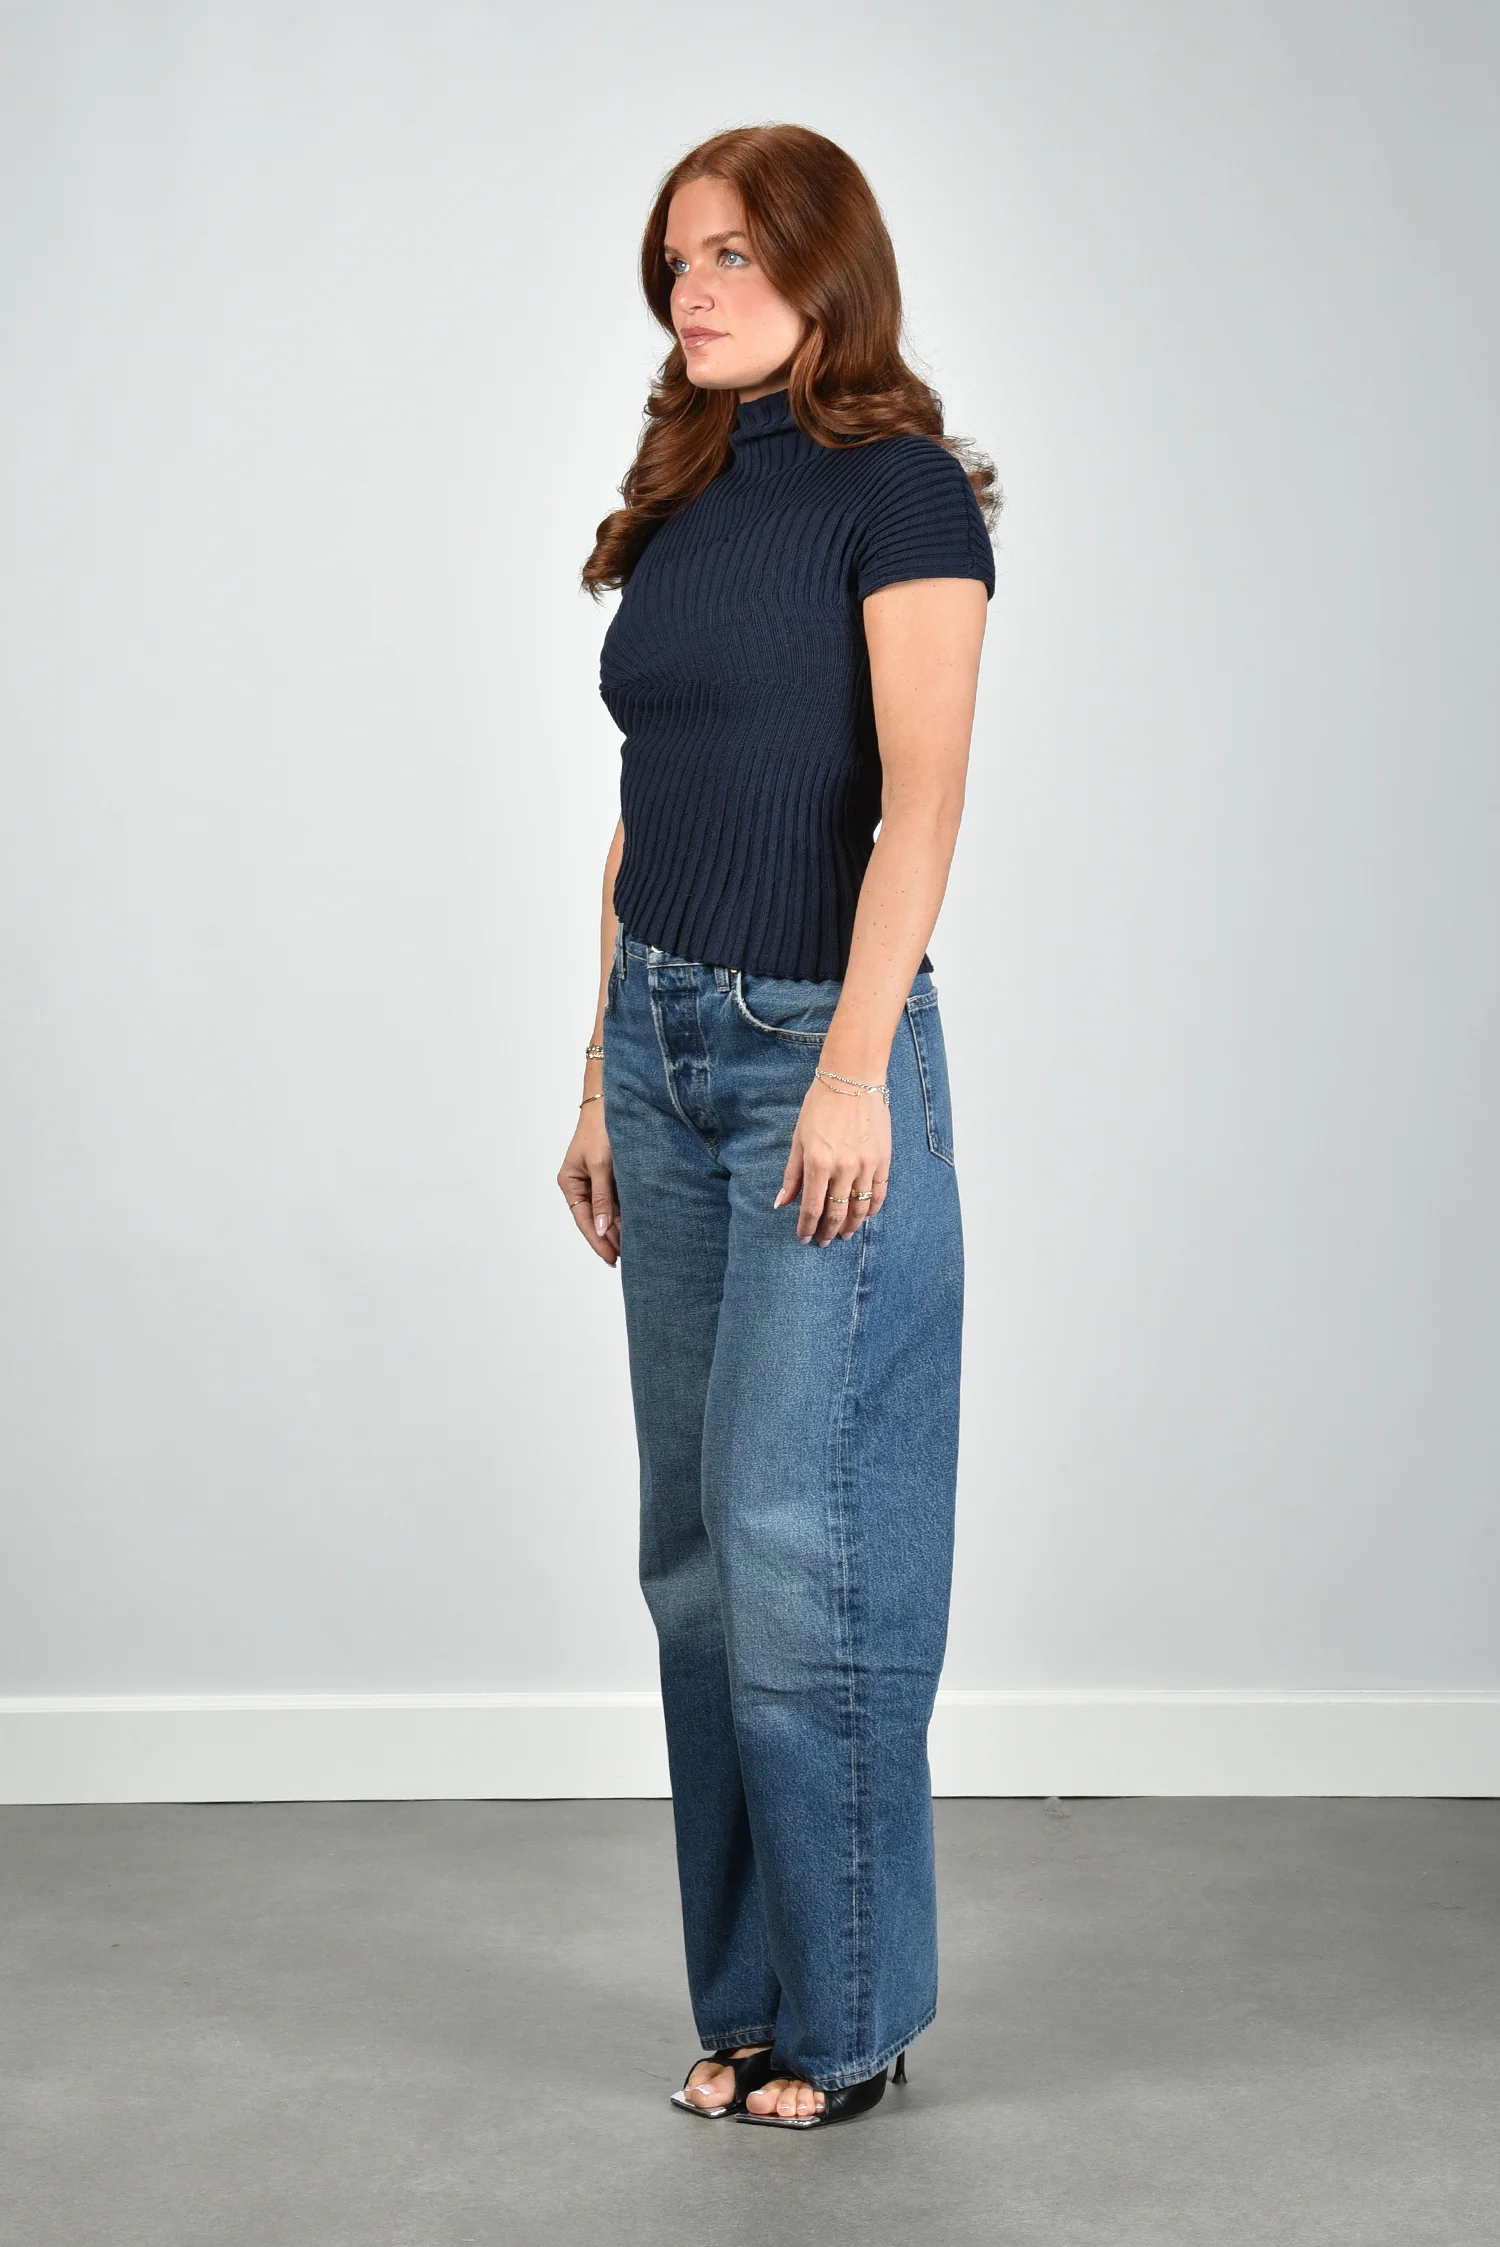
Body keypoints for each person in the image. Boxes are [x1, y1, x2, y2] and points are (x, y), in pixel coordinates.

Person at [557, 123, 997, 2129]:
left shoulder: (902, 490)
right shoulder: (692, 486)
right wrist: (598, 1067)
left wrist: (849, 1072)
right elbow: (646, 808)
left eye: (735, 252)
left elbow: (924, 799)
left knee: (806, 1546)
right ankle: (746, 2001)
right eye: (678, 258)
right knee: (697, 1562)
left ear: (829, 266)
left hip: (818, 1041)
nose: (695, 289)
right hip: (661, 1042)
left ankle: (850, 2016)